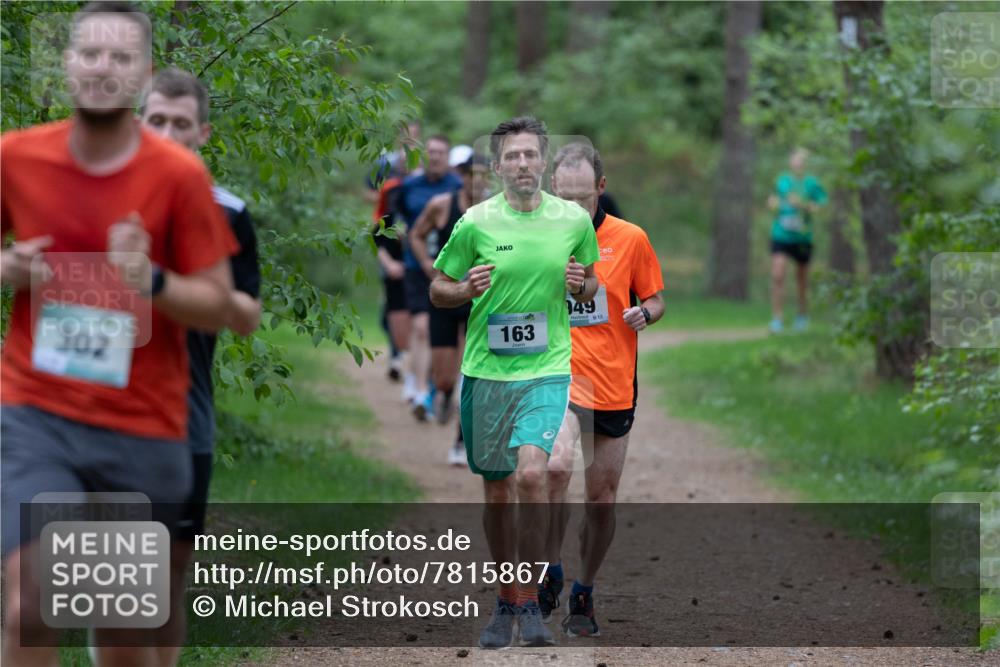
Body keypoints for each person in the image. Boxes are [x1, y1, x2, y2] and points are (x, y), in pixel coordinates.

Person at [0, 3, 238, 665]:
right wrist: (7, 266)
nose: (103, 68)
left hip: (142, 424)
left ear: (144, 74)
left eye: (121, 56)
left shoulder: (178, 177)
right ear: (68, 61)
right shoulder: (16, 158)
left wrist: (150, 280)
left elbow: (218, 304)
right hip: (35, 413)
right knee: (31, 601)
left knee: (124, 632)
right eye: (90, 53)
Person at [430, 117, 600, 648]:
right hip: (486, 373)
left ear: (544, 162)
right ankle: (506, 599)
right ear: (499, 165)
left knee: (533, 475)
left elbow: (591, 280)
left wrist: (582, 282)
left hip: (547, 370)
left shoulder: (573, 220)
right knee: (498, 490)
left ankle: (527, 600)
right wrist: (464, 291)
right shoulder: (476, 223)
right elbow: (438, 288)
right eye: (512, 156)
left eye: (530, 155)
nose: (522, 164)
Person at [140, 66, 262, 664]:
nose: (166, 133)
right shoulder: (93, 198)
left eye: (180, 123)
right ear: (137, 123)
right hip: (97, 416)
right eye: (155, 120)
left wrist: (179, 288)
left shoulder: (228, 211)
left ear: (203, 133)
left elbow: (246, 314)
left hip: (184, 416)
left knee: (166, 582)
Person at [543, 143, 665, 637]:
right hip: (555, 375)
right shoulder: (537, 238)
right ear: (554, 189)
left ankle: (584, 591)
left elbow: (655, 299)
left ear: (601, 188)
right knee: (553, 466)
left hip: (613, 382)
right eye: (564, 196)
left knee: (601, 499)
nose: (574, 208)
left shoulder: (630, 239)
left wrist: (644, 313)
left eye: (583, 198)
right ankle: (550, 565)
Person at [410, 153, 489, 465]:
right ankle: (440, 394)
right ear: (462, 176)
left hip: (479, 301)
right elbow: (417, 234)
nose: (477, 180)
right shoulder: (441, 205)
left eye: (483, 174)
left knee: (471, 374)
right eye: (471, 174)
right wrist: (427, 265)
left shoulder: (496, 212)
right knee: (445, 378)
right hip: (445, 297)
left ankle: (460, 439)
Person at [398, 135, 462, 419]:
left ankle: (443, 387)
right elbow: (393, 219)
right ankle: (422, 390)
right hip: (417, 267)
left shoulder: (458, 189)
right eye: (431, 152)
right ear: (425, 155)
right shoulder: (408, 186)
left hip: (450, 273)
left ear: (447, 157)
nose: (435, 157)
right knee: (421, 328)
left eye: (441, 152)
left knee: (452, 338)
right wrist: (419, 257)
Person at [767, 147, 827, 333]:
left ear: (805, 163)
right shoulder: (782, 181)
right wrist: (773, 204)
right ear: (790, 162)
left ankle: (802, 316)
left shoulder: (812, 184)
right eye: (795, 160)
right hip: (781, 234)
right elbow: (772, 201)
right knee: (778, 274)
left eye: (801, 161)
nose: (797, 164)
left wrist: (802, 205)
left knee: (801, 279)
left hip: (802, 238)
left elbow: (821, 207)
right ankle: (777, 318)